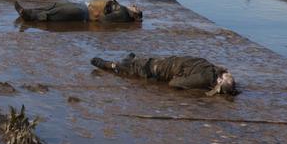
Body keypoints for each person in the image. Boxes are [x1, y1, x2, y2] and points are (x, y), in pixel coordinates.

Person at [91, 53, 237, 96]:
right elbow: (174, 84)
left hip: (163, 61)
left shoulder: (212, 67)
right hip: (155, 69)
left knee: (136, 64)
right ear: (219, 82)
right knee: (123, 69)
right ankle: (106, 64)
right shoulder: (206, 78)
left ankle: (130, 58)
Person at [15, 0, 142, 23]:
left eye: (136, 8)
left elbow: (104, 19)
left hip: (85, 13)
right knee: (55, 5)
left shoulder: (123, 12)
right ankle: (28, 11)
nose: (134, 5)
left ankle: (30, 17)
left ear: (135, 14)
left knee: (57, 12)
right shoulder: (122, 9)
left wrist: (94, 11)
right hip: (83, 6)